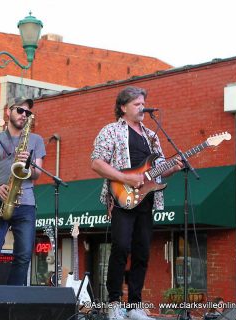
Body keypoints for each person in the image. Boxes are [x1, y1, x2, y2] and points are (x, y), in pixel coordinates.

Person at [91, 86, 183, 320]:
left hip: (146, 200)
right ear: (123, 107)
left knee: (142, 252)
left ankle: (134, 305)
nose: (142, 108)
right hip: (122, 198)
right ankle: (113, 303)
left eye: (143, 103)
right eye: (137, 104)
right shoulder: (111, 131)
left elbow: (159, 172)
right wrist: (125, 177)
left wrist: (172, 168)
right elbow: (97, 163)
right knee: (121, 247)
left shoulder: (152, 136)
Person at [0, 97, 46, 289]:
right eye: (19, 110)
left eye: (28, 113)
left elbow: (37, 174)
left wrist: (29, 164)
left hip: (26, 202)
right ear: (8, 111)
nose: (24, 115)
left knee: (23, 255)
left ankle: (14, 300)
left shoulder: (36, 140)